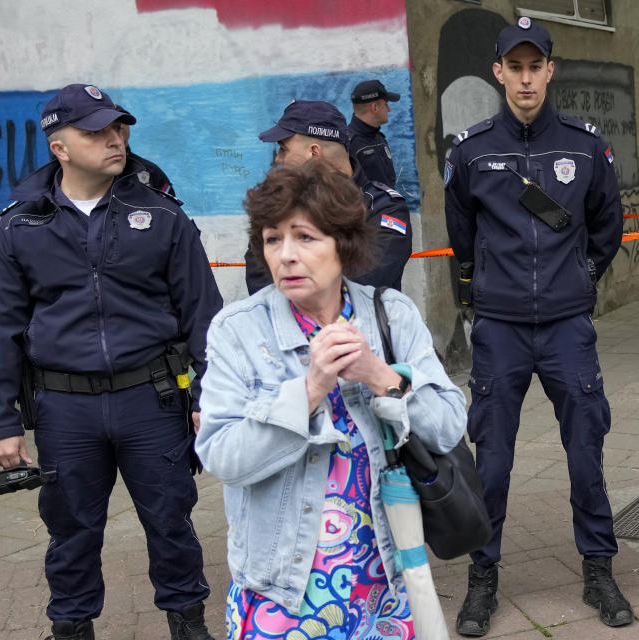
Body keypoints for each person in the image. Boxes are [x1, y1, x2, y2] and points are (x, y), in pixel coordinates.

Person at [0, 83, 223, 640]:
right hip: (64, 407)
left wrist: (210, 399)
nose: (115, 139)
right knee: (71, 528)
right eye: (96, 132)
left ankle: (189, 625)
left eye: (118, 128)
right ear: (59, 147)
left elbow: (205, 317)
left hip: (151, 398)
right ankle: (71, 626)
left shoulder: (161, 216)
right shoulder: (21, 226)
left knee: (170, 520)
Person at [197, 158, 466, 639]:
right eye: (272, 239)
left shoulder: (392, 316)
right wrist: (309, 389)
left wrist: (383, 377)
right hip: (281, 585)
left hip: (383, 573)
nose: (285, 256)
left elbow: (448, 425)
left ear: (343, 245)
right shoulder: (237, 332)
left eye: (305, 237)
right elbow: (222, 457)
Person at [445, 17, 633, 635]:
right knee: (491, 459)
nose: (526, 80)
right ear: (499, 73)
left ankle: (598, 568)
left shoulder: (584, 145)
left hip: (565, 328)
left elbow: (608, 223)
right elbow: (461, 237)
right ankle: (483, 578)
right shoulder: (472, 151)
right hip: (499, 330)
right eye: (514, 68)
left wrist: (580, 278)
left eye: (536, 67)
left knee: (586, 451)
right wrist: (481, 293)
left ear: (550, 71)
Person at [246, 100, 411, 293]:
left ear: (314, 152)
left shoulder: (383, 207)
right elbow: (259, 277)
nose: (278, 159)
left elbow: (367, 280)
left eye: (283, 149)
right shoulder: (279, 205)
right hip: (284, 322)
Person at [348, 79, 401, 187]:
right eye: (386, 104)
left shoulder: (378, 137)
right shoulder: (350, 145)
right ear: (375, 108)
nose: (389, 109)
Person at [115, 104, 176, 196]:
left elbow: (171, 208)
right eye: (114, 124)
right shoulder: (91, 172)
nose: (121, 126)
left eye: (122, 121)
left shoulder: (150, 171)